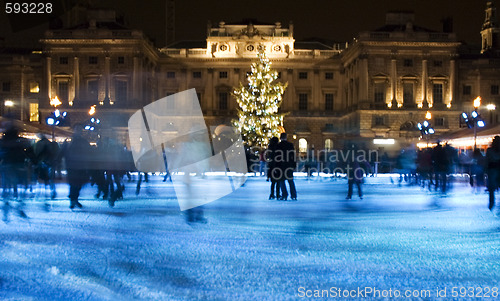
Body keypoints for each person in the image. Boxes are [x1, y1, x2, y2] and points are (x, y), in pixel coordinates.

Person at [62, 125, 91, 209]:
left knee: (78, 184)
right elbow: (63, 152)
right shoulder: (69, 141)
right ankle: (73, 199)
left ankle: (74, 198)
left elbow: (88, 153)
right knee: (74, 184)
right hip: (72, 166)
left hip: (79, 166)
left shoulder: (82, 141)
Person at [276, 133, 297, 201]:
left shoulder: (278, 145)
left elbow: (276, 157)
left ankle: (284, 194)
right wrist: (294, 164)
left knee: (282, 180)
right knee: (290, 181)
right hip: (289, 165)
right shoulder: (290, 145)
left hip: (281, 165)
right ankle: (293, 195)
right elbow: (293, 156)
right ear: (286, 137)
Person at [486, 136, 500, 210]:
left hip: (492, 169)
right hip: (498, 168)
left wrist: (485, 169)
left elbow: (487, 160)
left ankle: (491, 202)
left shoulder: (489, 150)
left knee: (491, 187)